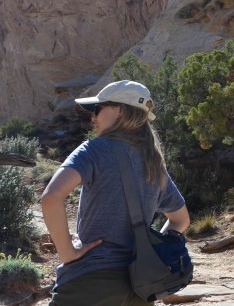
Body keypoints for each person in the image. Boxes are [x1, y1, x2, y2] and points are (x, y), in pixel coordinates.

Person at [42, 80, 190, 306]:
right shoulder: (153, 163)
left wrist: (67, 253)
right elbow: (180, 220)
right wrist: (152, 252)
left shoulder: (93, 150)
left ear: (119, 111)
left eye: (98, 109)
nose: (93, 117)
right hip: (139, 288)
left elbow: (52, 197)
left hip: (90, 282)